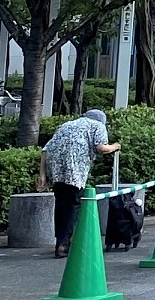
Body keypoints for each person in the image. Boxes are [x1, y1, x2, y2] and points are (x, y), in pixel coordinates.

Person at [39, 108, 118, 259]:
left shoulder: (67, 125)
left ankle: (60, 241)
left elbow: (46, 149)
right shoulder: (97, 125)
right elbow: (101, 148)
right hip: (74, 171)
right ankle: (64, 245)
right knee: (73, 205)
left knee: (61, 205)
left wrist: (42, 175)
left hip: (56, 169)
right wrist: (115, 146)